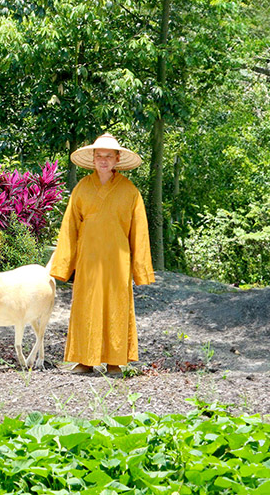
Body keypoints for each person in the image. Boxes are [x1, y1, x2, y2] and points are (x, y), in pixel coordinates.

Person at [49, 133, 154, 376]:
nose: (104, 160)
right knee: (86, 306)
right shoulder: (82, 188)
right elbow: (70, 227)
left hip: (118, 260)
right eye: (99, 156)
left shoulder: (130, 191)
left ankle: (115, 361)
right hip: (89, 260)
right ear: (93, 159)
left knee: (116, 306)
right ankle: (85, 360)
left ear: (117, 159)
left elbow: (139, 232)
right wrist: (64, 265)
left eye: (109, 156)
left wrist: (140, 270)